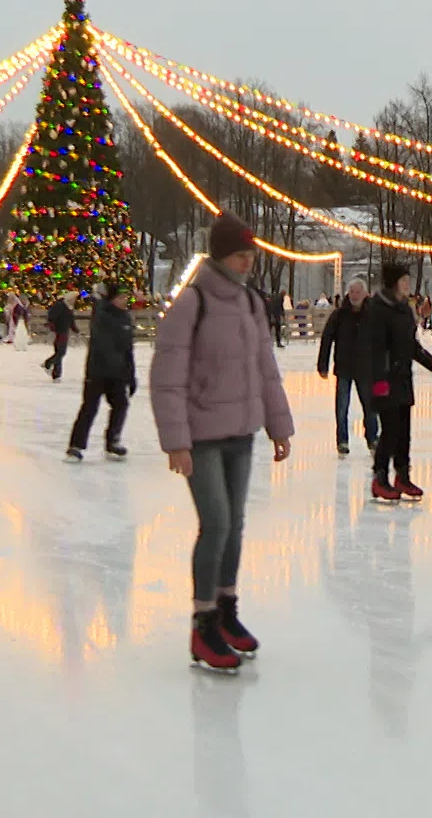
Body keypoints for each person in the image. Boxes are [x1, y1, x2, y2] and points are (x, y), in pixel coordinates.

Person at [151, 216, 295, 673]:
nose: (248, 262)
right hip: (202, 435)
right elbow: (167, 376)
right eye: (240, 255)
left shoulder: (252, 303)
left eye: (251, 255)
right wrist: (176, 441)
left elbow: (265, 370)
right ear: (219, 256)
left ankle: (227, 610)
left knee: (234, 524)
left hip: (242, 432)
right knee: (215, 523)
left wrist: (279, 426)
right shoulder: (193, 302)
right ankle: (202, 622)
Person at [362, 262, 432, 504]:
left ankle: (402, 476)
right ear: (393, 282)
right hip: (385, 380)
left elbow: (410, 345)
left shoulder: (403, 308)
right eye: (403, 280)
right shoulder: (378, 309)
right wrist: (379, 379)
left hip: (402, 379)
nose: (407, 284)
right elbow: (376, 347)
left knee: (404, 433)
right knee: (390, 432)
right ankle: (380, 478)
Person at [66, 281, 136, 461]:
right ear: (111, 299)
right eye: (121, 297)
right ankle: (76, 446)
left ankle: (113, 441)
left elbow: (128, 349)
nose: (125, 300)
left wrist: (131, 375)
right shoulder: (101, 315)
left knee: (121, 405)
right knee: (89, 407)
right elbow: (103, 345)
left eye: (126, 297)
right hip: (98, 371)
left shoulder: (125, 318)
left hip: (118, 374)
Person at [318, 278, 379, 457]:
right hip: (344, 367)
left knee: (370, 407)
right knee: (342, 407)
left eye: (358, 292)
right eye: (352, 292)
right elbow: (327, 339)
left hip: (366, 368)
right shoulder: (339, 315)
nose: (354, 296)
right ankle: (342, 441)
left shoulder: (373, 314)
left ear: (365, 293)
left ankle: (372, 438)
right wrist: (323, 364)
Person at [43, 292, 80, 380]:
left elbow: (71, 320)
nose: (75, 301)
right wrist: (52, 324)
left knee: (59, 352)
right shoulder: (60, 305)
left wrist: (75, 329)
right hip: (60, 331)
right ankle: (48, 363)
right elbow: (51, 315)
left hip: (64, 331)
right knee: (61, 352)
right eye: (74, 299)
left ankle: (56, 374)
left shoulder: (68, 307)